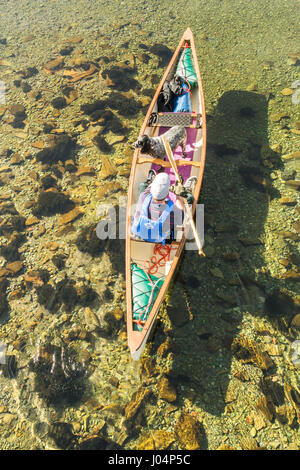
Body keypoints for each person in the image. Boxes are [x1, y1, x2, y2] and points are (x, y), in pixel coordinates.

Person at [131, 171, 197, 244]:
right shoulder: (173, 211)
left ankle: (150, 180)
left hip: (139, 232)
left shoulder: (144, 196)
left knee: (142, 186)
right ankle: (186, 190)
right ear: (167, 194)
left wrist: (156, 183)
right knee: (190, 198)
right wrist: (178, 195)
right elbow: (181, 216)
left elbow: (150, 187)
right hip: (159, 238)